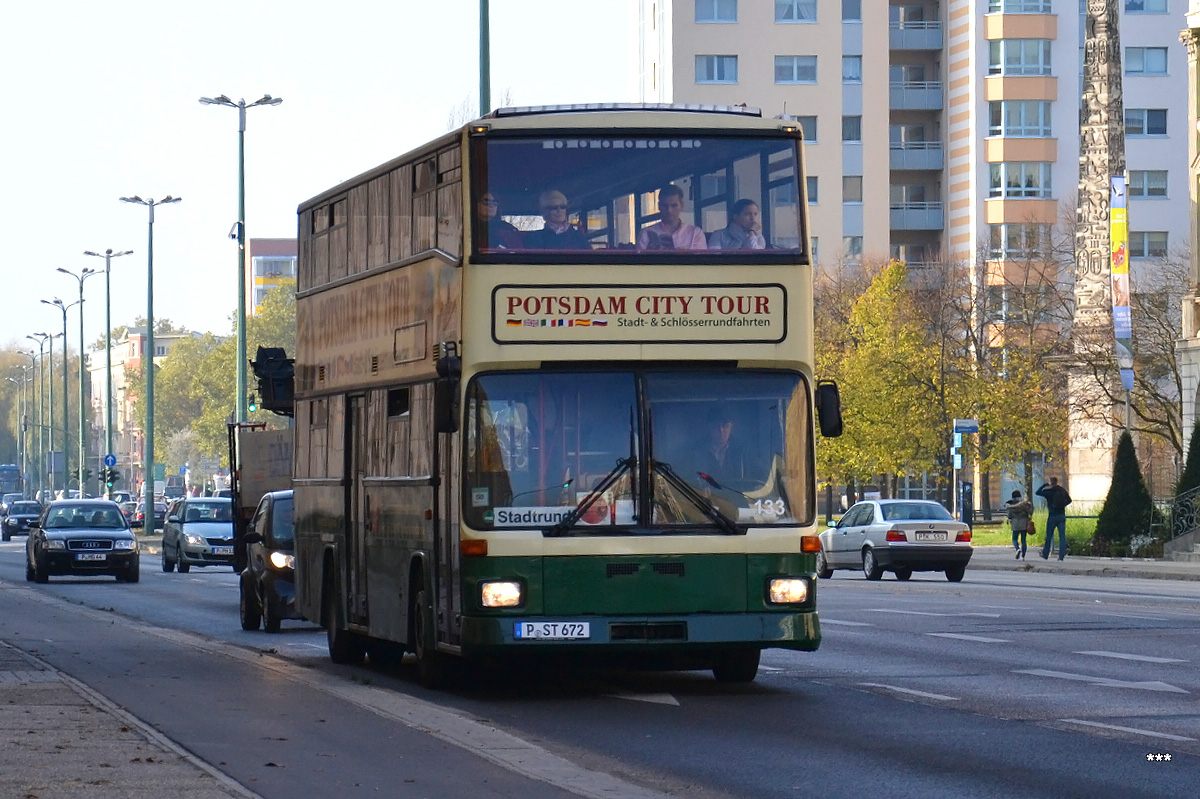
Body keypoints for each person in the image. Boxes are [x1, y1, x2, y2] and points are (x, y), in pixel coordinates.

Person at [636, 184, 707, 250]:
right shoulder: (645, 233)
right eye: (665, 206)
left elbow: (701, 261)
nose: (669, 210)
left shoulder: (695, 234)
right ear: (659, 206)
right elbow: (639, 262)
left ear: (682, 206)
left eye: (674, 206)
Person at [523, 190, 590, 250]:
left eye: (562, 207)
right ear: (544, 211)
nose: (559, 211)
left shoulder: (578, 236)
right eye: (554, 207)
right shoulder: (534, 238)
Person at [1036, 476, 1072, 560]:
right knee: (1062, 537)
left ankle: (1045, 554)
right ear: (1056, 482)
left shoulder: (1048, 491)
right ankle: (1061, 556)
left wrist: (1045, 485)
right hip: (1061, 516)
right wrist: (1063, 505)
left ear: (1050, 482)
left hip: (1052, 516)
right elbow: (1069, 500)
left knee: (1049, 536)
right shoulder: (1062, 490)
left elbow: (1037, 492)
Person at [1004, 489, 1033, 560]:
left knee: (1014, 539)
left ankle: (1017, 549)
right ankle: (1023, 556)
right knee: (1023, 540)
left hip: (1015, 524)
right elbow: (1030, 512)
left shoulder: (1010, 504)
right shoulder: (1024, 504)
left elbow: (1009, 515)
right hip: (1024, 523)